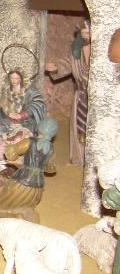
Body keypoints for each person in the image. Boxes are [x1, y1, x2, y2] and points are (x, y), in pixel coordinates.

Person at [0, 118, 58, 223]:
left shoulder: (29, 142)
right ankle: (30, 218)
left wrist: (8, 145)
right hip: (38, 187)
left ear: (39, 128)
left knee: (1, 206)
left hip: (22, 182)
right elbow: (50, 168)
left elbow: (11, 154)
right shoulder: (51, 149)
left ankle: (14, 218)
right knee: (27, 206)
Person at [45, 20, 90, 166]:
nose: (86, 36)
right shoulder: (77, 53)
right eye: (83, 33)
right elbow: (67, 63)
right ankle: (79, 158)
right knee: (79, 127)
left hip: (96, 99)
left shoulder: (102, 53)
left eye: (88, 33)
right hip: (81, 97)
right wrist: (56, 67)